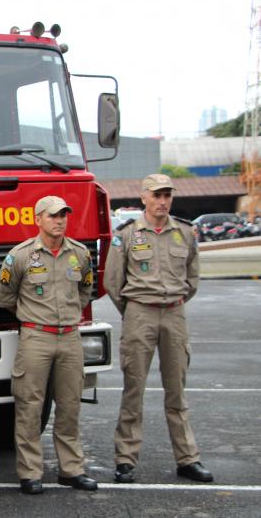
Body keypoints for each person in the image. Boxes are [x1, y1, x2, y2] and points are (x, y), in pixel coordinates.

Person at [104, 173, 213, 484]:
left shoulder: (185, 232)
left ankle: (187, 459)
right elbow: (113, 281)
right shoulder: (126, 234)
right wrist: (135, 310)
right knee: (133, 390)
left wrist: (173, 303)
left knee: (177, 392)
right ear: (144, 198)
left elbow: (192, 280)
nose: (162, 201)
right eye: (157, 195)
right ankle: (125, 460)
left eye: (167, 195)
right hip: (140, 314)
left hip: (175, 314)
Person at [0, 195, 98, 494]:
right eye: (53, 216)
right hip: (35, 338)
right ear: (38, 219)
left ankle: (71, 470)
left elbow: (85, 289)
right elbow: (6, 297)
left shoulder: (79, 254)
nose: (60, 220)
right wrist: (33, 319)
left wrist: (70, 316)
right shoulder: (21, 256)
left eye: (63, 215)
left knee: (70, 406)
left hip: (69, 337)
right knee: (29, 407)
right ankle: (30, 474)